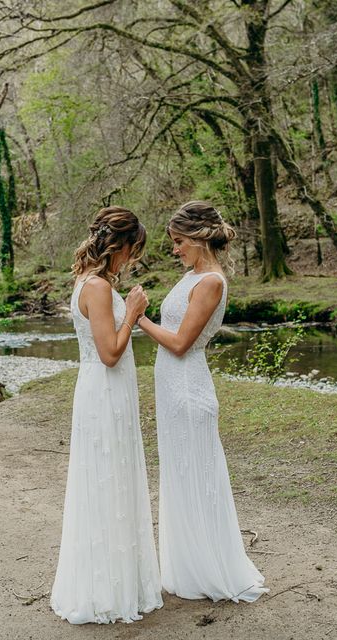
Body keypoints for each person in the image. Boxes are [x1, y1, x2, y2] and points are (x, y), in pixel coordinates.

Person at [137, 201, 268, 602]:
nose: (174, 250)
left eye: (179, 242)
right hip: (173, 392)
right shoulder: (193, 275)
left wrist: (137, 318)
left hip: (189, 391)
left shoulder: (210, 281)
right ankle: (188, 566)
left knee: (197, 477)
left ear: (198, 238)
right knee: (181, 475)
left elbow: (179, 344)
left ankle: (210, 568)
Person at [50, 206, 163, 624]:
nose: (134, 259)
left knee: (113, 480)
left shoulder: (92, 281)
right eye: (134, 250)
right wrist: (132, 312)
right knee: (106, 481)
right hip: (103, 391)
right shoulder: (96, 287)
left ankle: (119, 581)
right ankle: (105, 589)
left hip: (108, 392)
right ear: (119, 246)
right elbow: (110, 354)